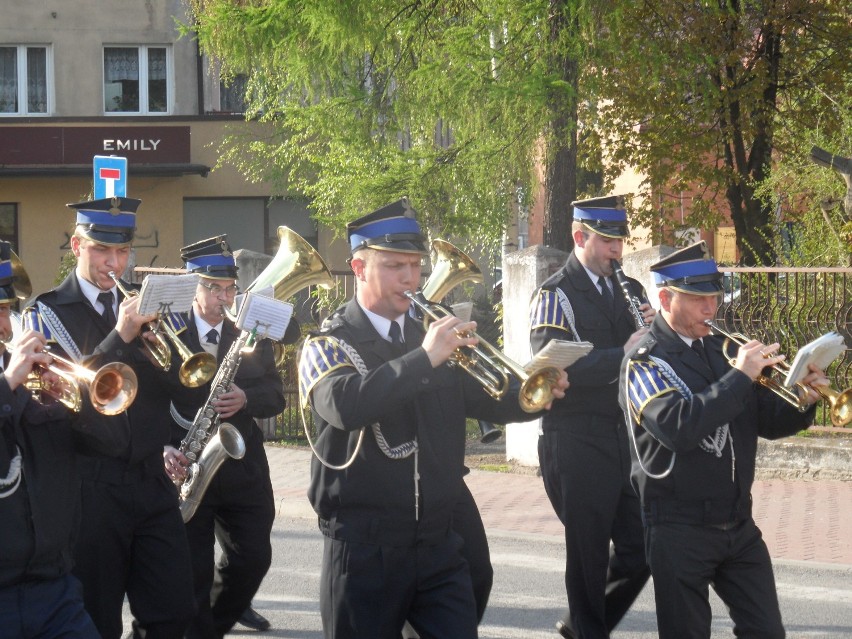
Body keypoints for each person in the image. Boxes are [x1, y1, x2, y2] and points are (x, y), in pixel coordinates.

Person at [299, 199, 568, 639]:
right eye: (393, 266)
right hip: (365, 545)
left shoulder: (433, 337)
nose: (410, 278)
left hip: (438, 541)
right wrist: (425, 359)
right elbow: (346, 406)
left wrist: (532, 396)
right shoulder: (327, 342)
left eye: (415, 266)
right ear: (360, 268)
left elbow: (484, 397)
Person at [619, 242, 827, 639]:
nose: (711, 309)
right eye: (699, 299)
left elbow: (764, 420)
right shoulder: (644, 361)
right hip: (678, 527)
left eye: (714, 297)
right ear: (665, 297)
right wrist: (740, 376)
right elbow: (679, 427)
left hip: (738, 524)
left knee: (767, 631)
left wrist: (804, 398)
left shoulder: (722, 349)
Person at [31, 197, 196, 639]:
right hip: (90, 488)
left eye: (123, 252)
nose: (114, 263)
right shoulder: (46, 314)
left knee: (174, 612)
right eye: (103, 251)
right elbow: (61, 402)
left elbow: (182, 391)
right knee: (96, 619)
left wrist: (174, 349)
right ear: (77, 245)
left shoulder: (146, 309)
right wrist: (120, 337)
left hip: (151, 481)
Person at [163, 236, 299, 638]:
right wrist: (162, 447)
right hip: (187, 469)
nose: (225, 297)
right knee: (193, 573)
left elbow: (275, 395)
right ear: (193, 286)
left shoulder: (250, 332)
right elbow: (148, 399)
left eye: (230, 288)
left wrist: (246, 397)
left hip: (241, 466)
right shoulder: (167, 333)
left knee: (253, 558)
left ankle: (211, 625)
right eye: (214, 287)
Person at [529, 195, 652, 639]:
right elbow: (549, 367)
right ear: (580, 237)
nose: (616, 251)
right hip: (575, 440)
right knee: (588, 556)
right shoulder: (555, 295)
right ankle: (589, 629)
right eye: (607, 241)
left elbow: (648, 360)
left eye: (620, 241)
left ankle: (583, 627)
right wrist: (622, 354)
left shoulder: (633, 292)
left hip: (625, 439)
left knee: (642, 549)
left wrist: (658, 335)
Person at [0, 242, 129, 639]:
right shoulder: (12, 381)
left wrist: (70, 402)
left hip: (54, 589)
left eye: (4, 310)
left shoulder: (29, 384)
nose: (3, 324)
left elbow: (107, 444)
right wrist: (7, 386)